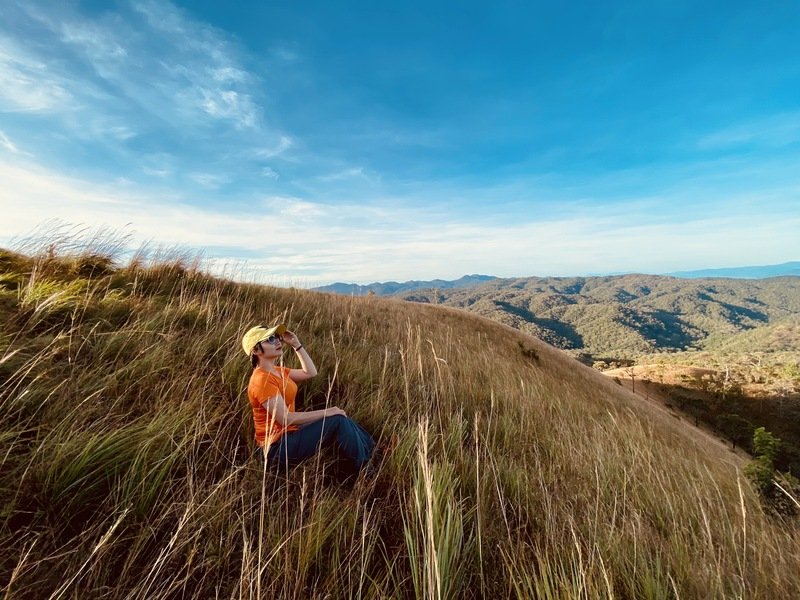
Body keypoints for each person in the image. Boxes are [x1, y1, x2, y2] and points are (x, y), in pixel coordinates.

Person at [242, 324, 375, 474]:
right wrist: (327, 412)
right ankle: (365, 472)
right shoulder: (261, 380)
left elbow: (310, 372)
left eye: (277, 338)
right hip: (276, 447)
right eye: (270, 339)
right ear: (255, 350)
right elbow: (285, 418)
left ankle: (372, 451)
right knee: (337, 420)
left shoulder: (276, 371)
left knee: (342, 417)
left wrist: (297, 345)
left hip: (290, 434)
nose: (278, 342)